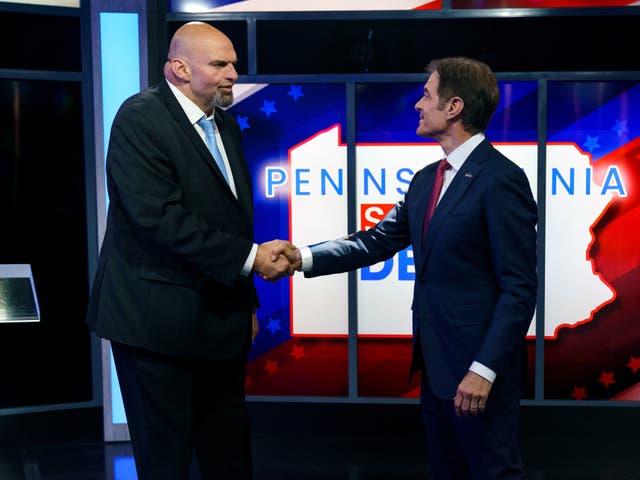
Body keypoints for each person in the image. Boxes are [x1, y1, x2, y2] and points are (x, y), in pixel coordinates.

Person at [279, 57, 537, 478]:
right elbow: (375, 241)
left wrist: (483, 369)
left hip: (478, 374)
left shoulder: (500, 179)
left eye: (426, 95)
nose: (418, 105)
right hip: (436, 369)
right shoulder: (425, 180)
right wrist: (301, 257)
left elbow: (519, 289)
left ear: (454, 107)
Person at [86, 22, 296, 480]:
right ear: (178, 68)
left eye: (234, 63)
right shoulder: (141, 117)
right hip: (155, 325)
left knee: (230, 456)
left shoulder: (223, 123)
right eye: (220, 64)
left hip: (220, 320)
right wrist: (252, 260)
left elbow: (233, 220)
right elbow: (160, 220)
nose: (233, 74)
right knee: (167, 463)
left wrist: (247, 300)